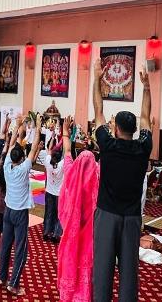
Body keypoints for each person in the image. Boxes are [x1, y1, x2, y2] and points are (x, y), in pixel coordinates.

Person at [91, 61, 152, 302]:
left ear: (115, 128)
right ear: (134, 129)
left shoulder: (107, 144)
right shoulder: (143, 146)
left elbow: (98, 111)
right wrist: (146, 88)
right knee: (129, 273)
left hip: (107, 214)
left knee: (103, 270)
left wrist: (97, 78)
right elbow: (146, 115)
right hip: (131, 218)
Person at [0, 114, 41, 296]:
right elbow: (32, 150)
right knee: (21, 250)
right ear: (22, 158)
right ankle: (13, 284)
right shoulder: (24, 168)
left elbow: (13, 143)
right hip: (19, 213)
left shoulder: (7, 164)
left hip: (8, 211)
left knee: (6, 246)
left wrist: (17, 126)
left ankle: (2, 277)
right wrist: (37, 127)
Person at [57, 116, 97, 302]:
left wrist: (66, 132)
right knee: (86, 267)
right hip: (90, 237)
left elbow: (66, 152)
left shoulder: (72, 173)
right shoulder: (99, 182)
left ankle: (69, 296)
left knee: (71, 263)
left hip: (72, 235)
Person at [44, 118, 67, 243]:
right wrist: (65, 135)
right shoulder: (62, 164)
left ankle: (47, 232)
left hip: (49, 191)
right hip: (59, 193)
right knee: (59, 214)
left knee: (49, 213)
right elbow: (65, 150)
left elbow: (50, 150)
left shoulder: (48, 161)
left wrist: (53, 138)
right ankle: (56, 234)